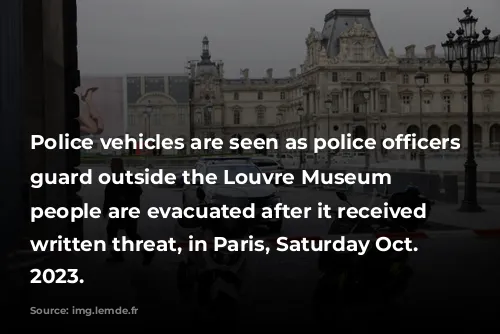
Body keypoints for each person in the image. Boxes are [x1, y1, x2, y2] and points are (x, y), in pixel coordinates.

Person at [102, 158, 154, 265]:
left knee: (126, 233)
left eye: (112, 165)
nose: (111, 168)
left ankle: (145, 252)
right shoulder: (117, 178)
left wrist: (125, 199)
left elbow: (137, 191)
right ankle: (145, 252)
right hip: (120, 211)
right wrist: (106, 208)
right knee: (116, 231)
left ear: (118, 166)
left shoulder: (128, 178)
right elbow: (109, 195)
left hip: (127, 211)